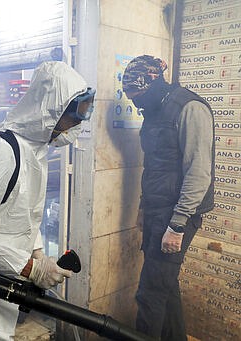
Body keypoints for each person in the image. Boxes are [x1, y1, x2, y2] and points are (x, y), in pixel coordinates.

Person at [0, 61, 96, 340]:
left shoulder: (36, 150)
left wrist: (38, 255)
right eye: (72, 118)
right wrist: (32, 269)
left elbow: (24, 213)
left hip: (2, 281)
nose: (74, 126)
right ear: (50, 109)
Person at [122, 55, 214, 340]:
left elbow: (199, 172)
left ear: (152, 83)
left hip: (176, 214)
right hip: (156, 209)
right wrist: (142, 206)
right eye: (132, 99)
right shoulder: (155, 108)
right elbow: (155, 165)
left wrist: (177, 224)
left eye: (138, 97)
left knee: (150, 292)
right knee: (165, 285)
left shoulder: (189, 108)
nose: (137, 105)